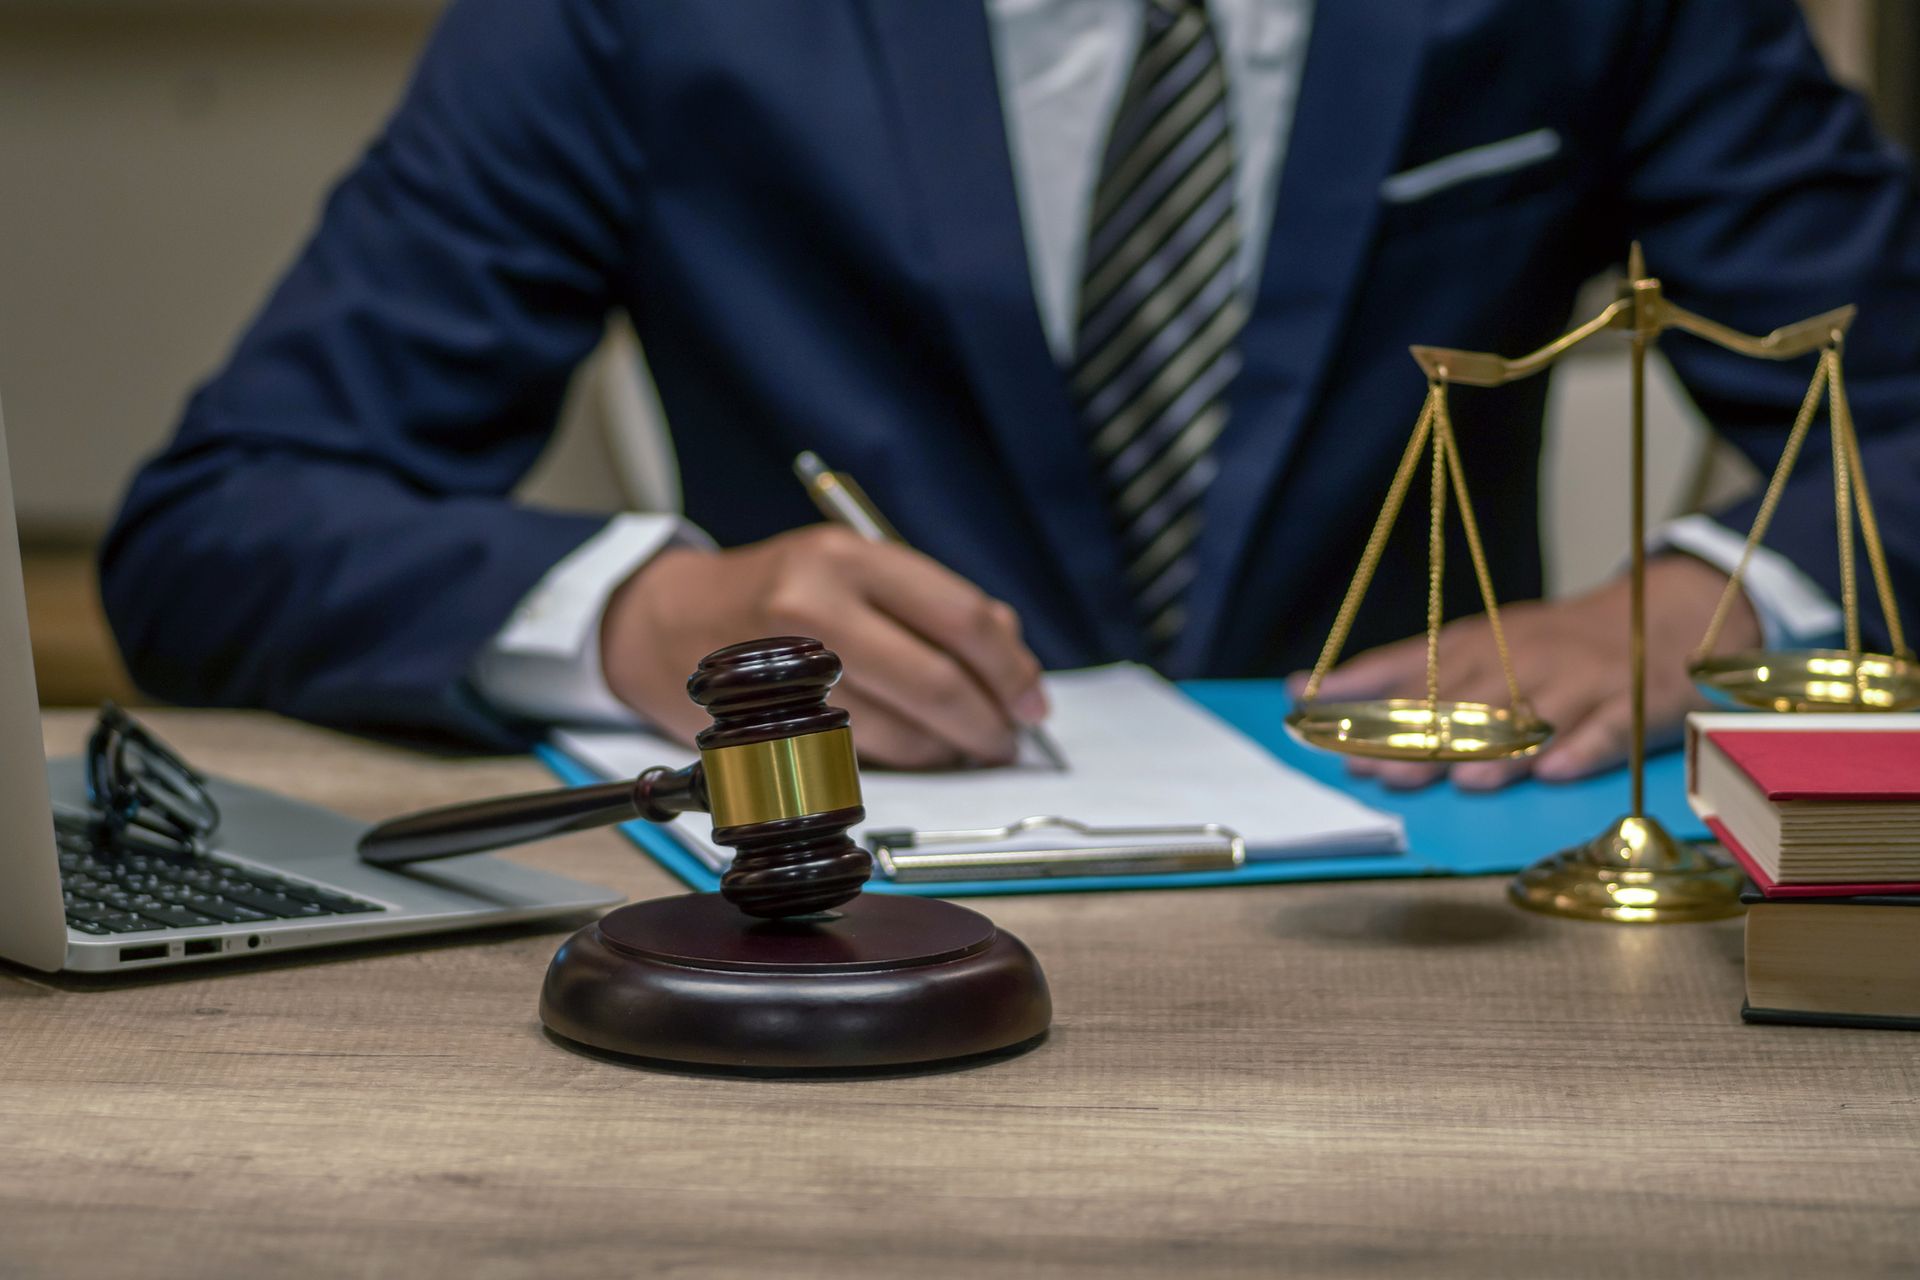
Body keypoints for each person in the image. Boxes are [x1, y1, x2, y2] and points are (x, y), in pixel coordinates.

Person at [102, 0, 1920, 786]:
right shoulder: (638, 19)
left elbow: (1900, 403)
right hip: (842, 969)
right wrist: (652, 613)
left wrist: (1704, 606)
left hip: (1444, 927)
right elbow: (222, 521)